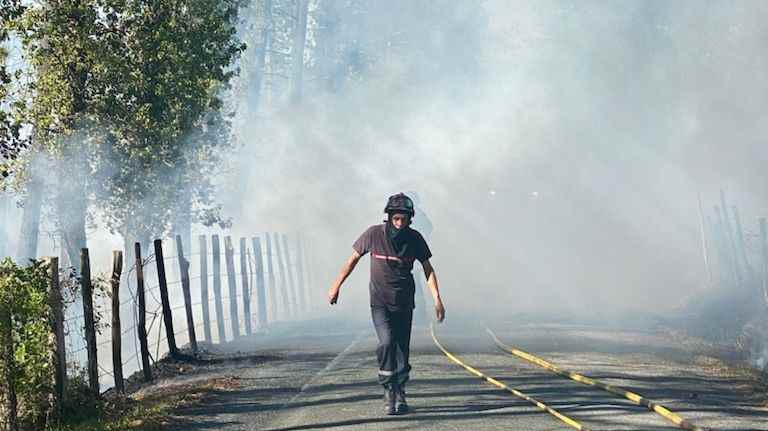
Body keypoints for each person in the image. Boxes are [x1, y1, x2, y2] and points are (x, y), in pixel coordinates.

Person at [327, 192, 446, 416]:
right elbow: (352, 259)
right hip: (380, 302)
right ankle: (388, 390)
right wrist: (336, 286)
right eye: (396, 218)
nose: (399, 223)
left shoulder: (415, 238)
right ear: (389, 217)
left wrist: (437, 299)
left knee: (402, 349)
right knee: (387, 342)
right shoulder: (373, 234)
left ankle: (400, 392)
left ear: (410, 219)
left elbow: (428, 269)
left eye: (404, 219)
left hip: (404, 302)